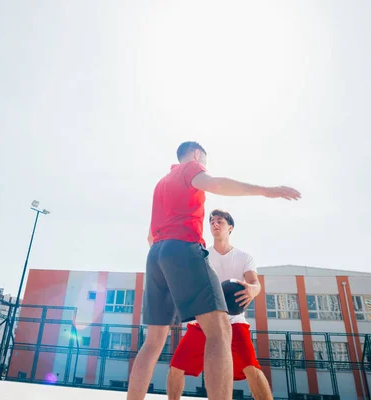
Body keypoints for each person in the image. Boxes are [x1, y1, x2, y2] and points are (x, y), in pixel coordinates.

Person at [126, 141, 300, 400]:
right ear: (197, 155)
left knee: (152, 342)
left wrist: (169, 265)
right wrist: (266, 191)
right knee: (219, 330)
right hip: (183, 247)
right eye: (204, 164)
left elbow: (150, 236)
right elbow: (217, 184)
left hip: (156, 255)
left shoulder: (161, 183)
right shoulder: (190, 168)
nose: (203, 170)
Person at [166, 209, 272, 400]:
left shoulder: (244, 257)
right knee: (176, 368)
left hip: (234, 321)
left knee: (251, 369)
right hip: (205, 321)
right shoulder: (202, 255)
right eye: (212, 221)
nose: (215, 224)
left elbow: (255, 284)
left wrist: (251, 290)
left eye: (220, 221)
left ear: (230, 227)